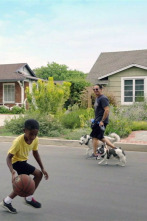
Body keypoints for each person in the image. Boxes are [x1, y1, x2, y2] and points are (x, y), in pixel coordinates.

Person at [0, 119, 49, 214]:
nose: (33, 137)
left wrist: (43, 167)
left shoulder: (35, 139)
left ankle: (8, 201)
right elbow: (8, 158)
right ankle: (27, 198)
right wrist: (12, 172)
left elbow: (35, 153)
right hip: (17, 163)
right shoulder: (18, 141)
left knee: (25, 184)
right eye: (31, 134)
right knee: (32, 179)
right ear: (24, 131)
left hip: (23, 161)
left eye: (35, 134)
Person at [90, 84, 116, 157]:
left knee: (95, 137)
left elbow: (107, 110)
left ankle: (95, 154)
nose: (95, 91)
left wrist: (102, 121)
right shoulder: (97, 98)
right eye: (94, 89)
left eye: (97, 89)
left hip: (100, 122)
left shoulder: (103, 98)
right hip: (97, 120)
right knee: (100, 137)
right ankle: (115, 148)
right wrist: (94, 119)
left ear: (101, 89)